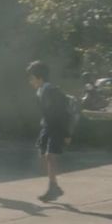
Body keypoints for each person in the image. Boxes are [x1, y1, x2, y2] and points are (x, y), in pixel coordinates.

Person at [27, 61, 72, 201]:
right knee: (45, 155)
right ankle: (54, 186)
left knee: (49, 155)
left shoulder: (52, 92)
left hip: (57, 127)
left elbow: (64, 114)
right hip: (48, 127)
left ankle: (53, 188)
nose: (30, 81)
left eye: (32, 78)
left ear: (39, 78)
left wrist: (67, 134)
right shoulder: (41, 91)